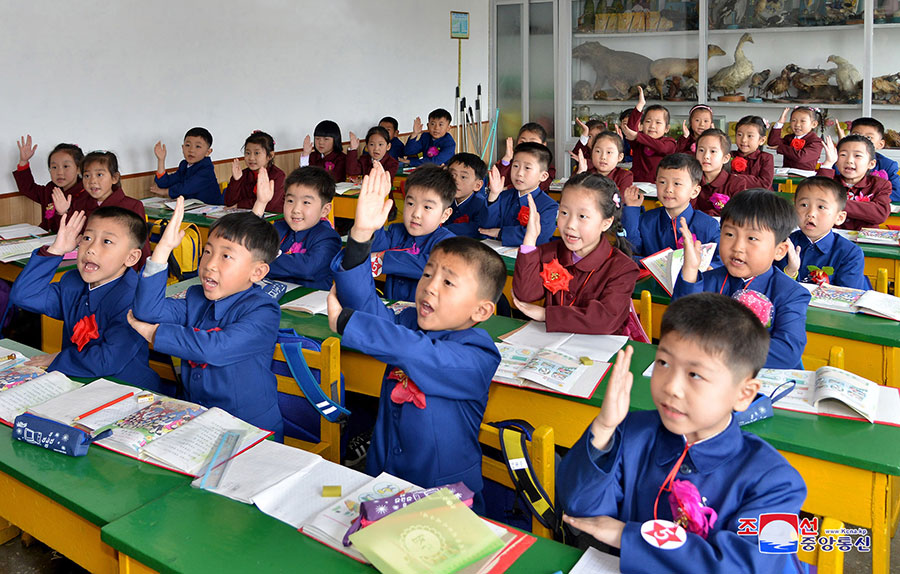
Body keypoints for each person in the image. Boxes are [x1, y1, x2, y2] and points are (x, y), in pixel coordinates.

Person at [558, 293, 806, 574]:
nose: (671, 387)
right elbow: (581, 509)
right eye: (664, 363)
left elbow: (748, 567)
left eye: (694, 375)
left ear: (744, 394)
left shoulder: (780, 482)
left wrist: (626, 536)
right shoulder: (633, 432)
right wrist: (604, 428)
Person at [326, 163, 506, 506]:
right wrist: (361, 236)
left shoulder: (479, 354)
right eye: (426, 274)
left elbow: (420, 353)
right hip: (383, 480)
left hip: (447, 499)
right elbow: (366, 308)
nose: (430, 288)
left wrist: (350, 324)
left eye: (448, 282)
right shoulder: (409, 321)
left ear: (481, 311)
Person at [129, 197, 284, 440]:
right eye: (207, 252)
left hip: (249, 430)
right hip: (196, 421)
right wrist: (163, 250)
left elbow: (215, 349)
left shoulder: (264, 311)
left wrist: (154, 333)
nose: (210, 264)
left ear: (257, 272)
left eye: (226, 256)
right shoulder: (196, 298)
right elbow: (147, 312)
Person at [10, 208, 162, 391]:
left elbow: (108, 360)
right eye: (87, 238)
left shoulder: (135, 299)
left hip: (124, 386)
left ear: (131, 257)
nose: (91, 249)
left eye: (106, 241)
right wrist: (56, 250)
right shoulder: (72, 283)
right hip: (75, 378)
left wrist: (57, 359)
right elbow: (25, 296)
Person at [673, 189, 810, 369]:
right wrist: (690, 270)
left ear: (779, 251)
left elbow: (787, 352)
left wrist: (717, 349)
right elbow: (678, 328)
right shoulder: (707, 281)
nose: (737, 247)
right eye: (729, 234)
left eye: (752, 238)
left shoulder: (791, 293)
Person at [512, 173, 640, 335]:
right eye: (564, 213)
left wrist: (546, 315)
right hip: (553, 343)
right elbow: (526, 294)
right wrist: (530, 239)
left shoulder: (623, 268)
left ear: (606, 223)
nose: (570, 225)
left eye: (582, 216)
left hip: (599, 346)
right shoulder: (550, 252)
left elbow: (605, 319)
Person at [370, 165, 457, 301]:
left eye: (427, 207)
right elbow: (373, 252)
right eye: (410, 203)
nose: (416, 214)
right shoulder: (396, 231)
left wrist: (385, 258)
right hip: (392, 308)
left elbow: (433, 267)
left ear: (445, 215)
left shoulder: (447, 242)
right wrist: (375, 220)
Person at [253, 166, 341, 290]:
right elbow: (249, 244)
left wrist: (258, 260)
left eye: (306, 202)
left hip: (311, 299)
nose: (296, 210)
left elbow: (307, 268)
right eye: (290, 201)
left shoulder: (328, 237)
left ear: (325, 210)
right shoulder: (279, 228)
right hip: (274, 294)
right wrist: (261, 203)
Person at [777, 176, 869, 290]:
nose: (811, 213)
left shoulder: (850, 253)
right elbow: (772, 290)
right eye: (804, 205)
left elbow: (849, 296)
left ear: (839, 217)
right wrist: (790, 272)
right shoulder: (784, 244)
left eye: (821, 207)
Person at [622, 154, 719, 259]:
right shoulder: (646, 220)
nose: (668, 189)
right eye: (662, 182)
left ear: (694, 191)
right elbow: (631, 249)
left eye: (677, 183)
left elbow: (720, 259)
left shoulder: (708, 226)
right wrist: (631, 209)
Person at [479, 142, 558, 246]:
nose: (519, 173)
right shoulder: (503, 196)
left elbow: (539, 237)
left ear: (543, 176)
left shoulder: (549, 206)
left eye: (527, 168)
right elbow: (485, 227)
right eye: (515, 166)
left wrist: (500, 233)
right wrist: (493, 195)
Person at [817, 135, 891, 230]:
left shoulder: (880, 184)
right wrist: (828, 163)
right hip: (831, 236)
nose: (849, 160)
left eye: (857, 156)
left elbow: (880, 214)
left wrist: (834, 203)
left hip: (864, 238)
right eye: (843, 155)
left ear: (871, 164)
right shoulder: (829, 180)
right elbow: (816, 197)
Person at [13, 136, 85, 232]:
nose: (59, 172)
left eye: (66, 166)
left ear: (79, 169)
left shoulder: (85, 194)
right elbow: (28, 188)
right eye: (54, 167)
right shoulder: (50, 189)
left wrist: (63, 212)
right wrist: (23, 161)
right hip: (45, 237)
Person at [149, 127, 222, 205]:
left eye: (198, 146)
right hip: (190, 208)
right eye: (187, 145)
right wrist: (161, 160)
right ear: (182, 148)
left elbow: (188, 187)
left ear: (208, 152)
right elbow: (165, 183)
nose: (191, 150)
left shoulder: (207, 169)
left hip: (211, 208)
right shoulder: (184, 165)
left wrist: (165, 192)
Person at [692, 129, 757, 216]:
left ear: (725, 158)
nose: (706, 156)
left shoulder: (736, 184)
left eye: (713, 151)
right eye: (701, 150)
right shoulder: (690, 180)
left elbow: (738, 214)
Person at [621, 87, 676, 183]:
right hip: (637, 185)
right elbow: (631, 129)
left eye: (658, 122)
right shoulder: (638, 142)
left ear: (666, 128)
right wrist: (640, 106)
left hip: (659, 186)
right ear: (641, 126)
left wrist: (638, 136)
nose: (652, 126)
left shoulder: (669, 142)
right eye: (648, 121)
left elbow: (661, 148)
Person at [839, 117, 900, 202]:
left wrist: (864, 197)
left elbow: (897, 194)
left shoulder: (888, 165)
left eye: (868, 137)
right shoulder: (841, 161)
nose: (861, 140)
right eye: (856, 135)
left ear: (880, 144)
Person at [225, 130, 285, 212]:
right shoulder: (243, 174)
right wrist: (236, 180)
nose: (251, 158)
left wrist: (240, 205)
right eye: (248, 153)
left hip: (272, 218)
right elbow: (229, 202)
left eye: (257, 153)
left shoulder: (278, 175)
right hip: (248, 217)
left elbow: (268, 205)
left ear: (270, 156)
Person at [496, 122, 557, 192]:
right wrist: (507, 158)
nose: (527, 146)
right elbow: (497, 183)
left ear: (543, 145)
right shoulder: (509, 162)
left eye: (533, 142)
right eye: (522, 142)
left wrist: (507, 188)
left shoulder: (548, 168)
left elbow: (535, 186)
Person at [444, 152, 488, 238]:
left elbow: (477, 229)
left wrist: (440, 230)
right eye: (452, 175)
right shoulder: (442, 199)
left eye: (463, 177)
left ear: (477, 185)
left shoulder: (482, 205)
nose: (455, 181)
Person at [767, 107, 823, 171]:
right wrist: (780, 123)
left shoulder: (816, 142)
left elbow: (801, 157)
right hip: (786, 173)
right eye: (793, 120)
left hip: (806, 175)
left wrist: (781, 148)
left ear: (814, 124)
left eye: (802, 121)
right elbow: (773, 143)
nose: (797, 124)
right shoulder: (789, 138)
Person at [731, 115, 774, 190]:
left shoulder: (766, 158)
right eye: (739, 135)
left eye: (750, 136)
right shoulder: (729, 156)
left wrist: (736, 178)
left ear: (762, 140)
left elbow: (765, 183)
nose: (743, 140)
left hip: (760, 196)